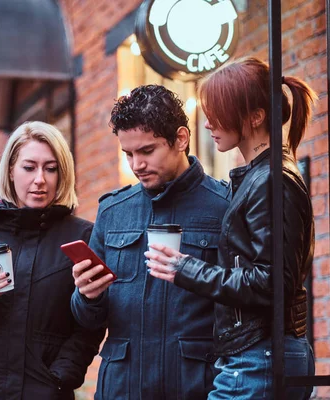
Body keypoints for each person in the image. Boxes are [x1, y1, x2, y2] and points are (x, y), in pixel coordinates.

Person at [146, 57, 317, 399]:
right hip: (257, 354)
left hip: (260, 358)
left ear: (255, 116)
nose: (208, 123)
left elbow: (272, 282)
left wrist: (186, 268)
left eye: (218, 112)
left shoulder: (271, 180)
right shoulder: (260, 177)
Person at [70, 84, 230, 400]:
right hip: (122, 388)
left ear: (181, 139)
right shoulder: (113, 210)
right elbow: (88, 321)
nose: (136, 165)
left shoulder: (224, 206)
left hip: (196, 387)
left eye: (147, 151)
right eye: (127, 154)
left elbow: (242, 303)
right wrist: (87, 296)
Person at [0, 121, 105, 400]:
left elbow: (92, 323)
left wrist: (61, 377)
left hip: (42, 390)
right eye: (29, 167)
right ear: (11, 170)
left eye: (51, 168)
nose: (40, 179)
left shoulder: (82, 236)